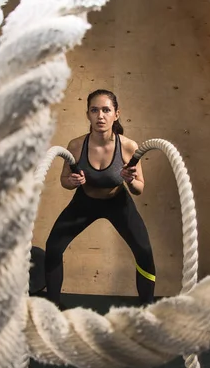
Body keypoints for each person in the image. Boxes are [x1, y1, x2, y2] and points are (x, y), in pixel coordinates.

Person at [44, 89, 156, 308]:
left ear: (116, 114)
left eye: (106, 110)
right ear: (88, 115)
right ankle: (53, 307)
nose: (100, 116)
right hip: (84, 203)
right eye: (95, 110)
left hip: (118, 203)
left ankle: (147, 310)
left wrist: (130, 180)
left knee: (144, 251)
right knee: (53, 247)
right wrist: (73, 182)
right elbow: (64, 181)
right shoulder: (76, 146)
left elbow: (139, 188)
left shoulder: (129, 147)